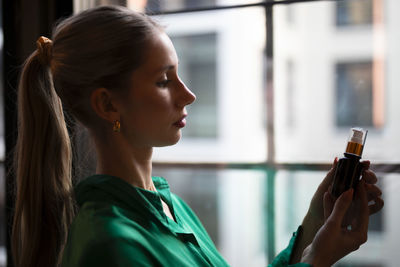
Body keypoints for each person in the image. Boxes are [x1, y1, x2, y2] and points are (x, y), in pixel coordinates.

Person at [12, 5, 384, 267]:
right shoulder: (109, 244)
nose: (188, 95)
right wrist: (317, 259)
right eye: (163, 81)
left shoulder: (170, 208)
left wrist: (315, 223)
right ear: (109, 105)